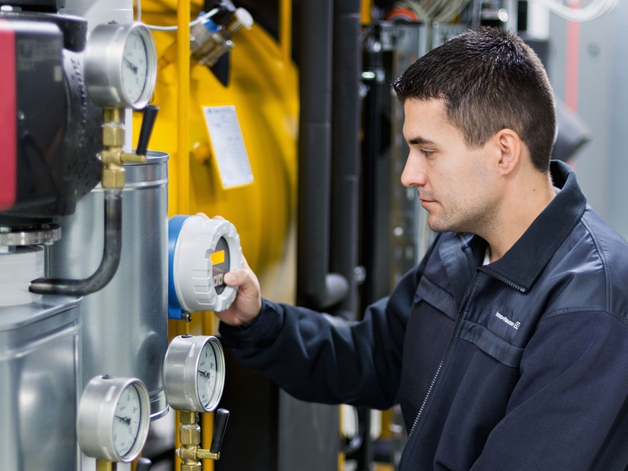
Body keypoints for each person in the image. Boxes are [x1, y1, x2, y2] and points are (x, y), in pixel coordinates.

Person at [215, 27, 628, 470]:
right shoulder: (460, 248)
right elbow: (371, 358)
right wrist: (257, 321)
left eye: (427, 151)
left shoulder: (589, 305)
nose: (409, 175)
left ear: (504, 152)